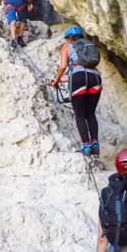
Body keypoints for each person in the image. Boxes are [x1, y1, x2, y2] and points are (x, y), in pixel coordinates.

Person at [49, 26, 102, 156]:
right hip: (95, 78)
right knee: (90, 114)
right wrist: (60, 81)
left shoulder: (67, 47)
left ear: (68, 39)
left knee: (80, 114)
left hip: (79, 78)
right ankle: (95, 144)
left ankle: (86, 147)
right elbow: (81, 72)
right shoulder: (88, 48)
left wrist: (57, 78)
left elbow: (63, 67)